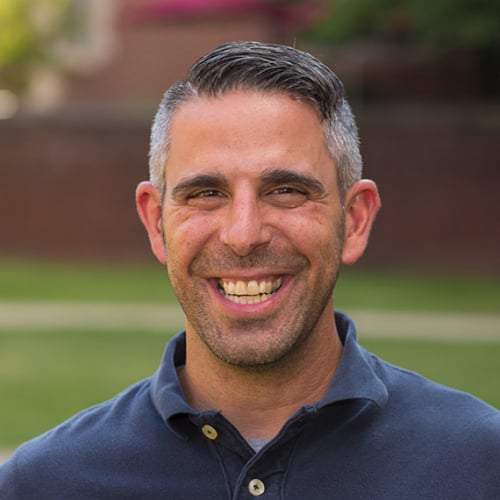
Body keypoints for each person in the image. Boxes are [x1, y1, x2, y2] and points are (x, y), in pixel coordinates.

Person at [1, 41, 499, 499]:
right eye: (206, 193)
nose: (243, 235)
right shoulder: (43, 484)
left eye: (286, 191)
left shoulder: (481, 465)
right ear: (156, 222)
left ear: (354, 220)